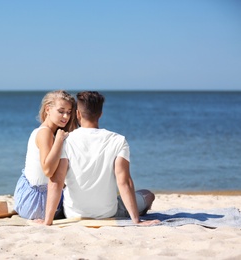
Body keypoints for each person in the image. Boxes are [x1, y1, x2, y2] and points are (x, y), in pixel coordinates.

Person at [41, 91, 159, 226]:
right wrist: (136, 221)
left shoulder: (66, 140)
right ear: (100, 114)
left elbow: (56, 180)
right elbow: (124, 181)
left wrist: (48, 221)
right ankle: (133, 213)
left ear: (78, 114)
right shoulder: (118, 140)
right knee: (148, 195)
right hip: (108, 213)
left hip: (73, 214)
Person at [14, 90, 77, 219]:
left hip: (28, 199)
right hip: (37, 204)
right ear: (48, 109)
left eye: (69, 112)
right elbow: (48, 170)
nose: (66, 116)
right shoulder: (46, 133)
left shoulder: (44, 131)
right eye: (61, 111)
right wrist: (59, 140)